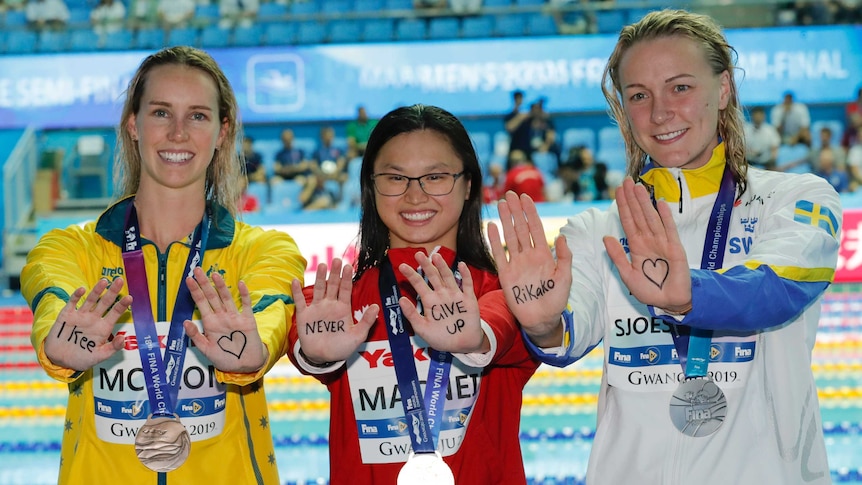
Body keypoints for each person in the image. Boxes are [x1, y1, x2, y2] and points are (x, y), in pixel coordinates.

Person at [488, 10, 839, 484]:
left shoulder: (795, 198)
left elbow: (777, 290)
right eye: (639, 96)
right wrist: (546, 323)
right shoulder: (597, 229)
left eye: (680, 87)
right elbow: (568, 332)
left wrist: (688, 295)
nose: (659, 113)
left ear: (724, 89)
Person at [20, 46, 306, 485]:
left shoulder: (263, 251)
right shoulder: (71, 249)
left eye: (197, 116)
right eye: (160, 113)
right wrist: (56, 344)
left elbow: (269, 306)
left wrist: (254, 350)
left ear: (222, 131)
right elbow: (52, 293)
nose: (177, 133)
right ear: (133, 125)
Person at [287, 104, 539, 484]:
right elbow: (301, 339)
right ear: (371, 187)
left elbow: (504, 322)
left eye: (435, 177)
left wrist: (476, 337)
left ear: (468, 184)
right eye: (395, 178)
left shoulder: (505, 294)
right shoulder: (340, 304)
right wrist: (312, 354)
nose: (415, 195)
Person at [743, 106, 780, 170]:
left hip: (766, 161)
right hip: (749, 161)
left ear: (764, 116)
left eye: (760, 116)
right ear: (752, 116)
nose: (758, 118)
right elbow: (740, 148)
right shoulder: (745, 130)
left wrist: (773, 159)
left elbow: (775, 148)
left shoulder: (770, 130)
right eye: (756, 116)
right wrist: (750, 153)